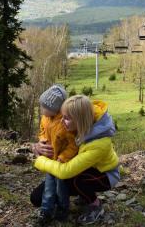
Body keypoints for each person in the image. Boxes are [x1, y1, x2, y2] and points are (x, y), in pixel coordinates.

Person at [32, 95, 120, 225]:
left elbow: (65, 172)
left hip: (104, 175)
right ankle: (82, 195)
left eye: (66, 118)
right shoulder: (80, 117)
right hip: (83, 168)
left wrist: (39, 160)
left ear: (79, 120)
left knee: (77, 180)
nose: (62, 121)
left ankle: (95, 205)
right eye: (63, 116)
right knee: (36, 198)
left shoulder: (100, 144)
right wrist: (37, 145)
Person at [33, 85, 78, 224]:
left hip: (61, 162)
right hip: (51, 161)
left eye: (43, 107)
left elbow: (73, 144)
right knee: (49, 186)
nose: (41, 110)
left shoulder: (65, 122)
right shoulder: (45, 118)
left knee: (61, 186)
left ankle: (63, 208)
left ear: (54, 108)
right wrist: (42, 140)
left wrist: (63, 157)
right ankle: (46, 210)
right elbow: (41, 130)